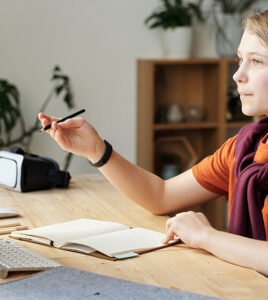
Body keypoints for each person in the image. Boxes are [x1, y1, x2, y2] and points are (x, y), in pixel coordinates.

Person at [39, 10, 268, 276]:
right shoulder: (246, 149)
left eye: (257, 61)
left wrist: (206, 236)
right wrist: (96, 150)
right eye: (240, 59)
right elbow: (161, 196)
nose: (238, 75)